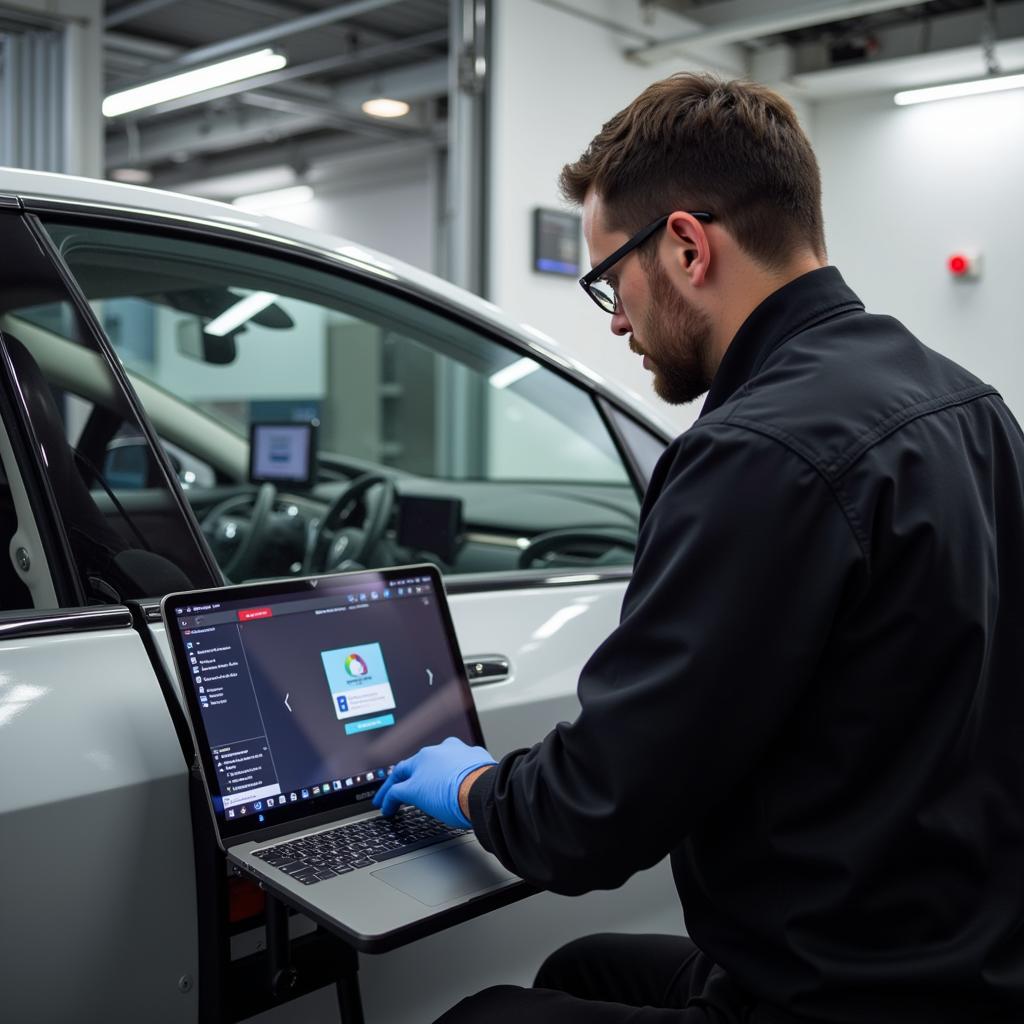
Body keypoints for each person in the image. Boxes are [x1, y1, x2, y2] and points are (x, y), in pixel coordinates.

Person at [373, 73, 1024, 1023]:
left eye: (610, 280)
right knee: (583, 968)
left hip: (839, 997)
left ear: (684, 245)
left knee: (479, 1018)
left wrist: (469, 783)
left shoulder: (754, 453)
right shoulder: (970, 402)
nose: (616, 320)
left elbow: (594, 820)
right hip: (964, 965)